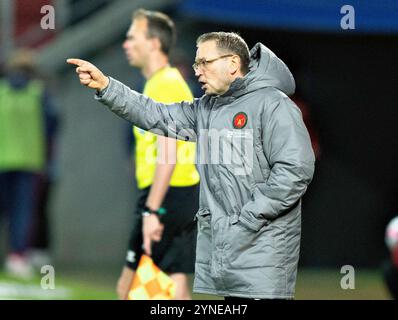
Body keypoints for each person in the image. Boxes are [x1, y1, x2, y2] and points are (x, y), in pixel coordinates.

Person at [67, 31, 315, 300]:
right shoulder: (206, 109)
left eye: (205, 62)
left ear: (232, 63)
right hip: (231, 256)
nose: (198, 71)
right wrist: (106, 86)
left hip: (263, 255)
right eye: (197, 64)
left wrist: (248, 219)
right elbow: (155, 114)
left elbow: (295, 170)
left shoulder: (274, 104)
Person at [115, 9, 200, 300]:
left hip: (166, 194)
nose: (126, 44)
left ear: (153, 43)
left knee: (128, 288)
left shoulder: (165, 84)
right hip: (176, 193)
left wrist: (151, 210)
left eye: (132, 37)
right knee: (173, 284)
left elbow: (168, 154)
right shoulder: (159, 82)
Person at [0, 48, 58, 279]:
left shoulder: (2, 91)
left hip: (2, 160)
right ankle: (17, 256)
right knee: (22, 212)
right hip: (29, 161)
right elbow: (52, 126)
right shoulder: (39, 93)